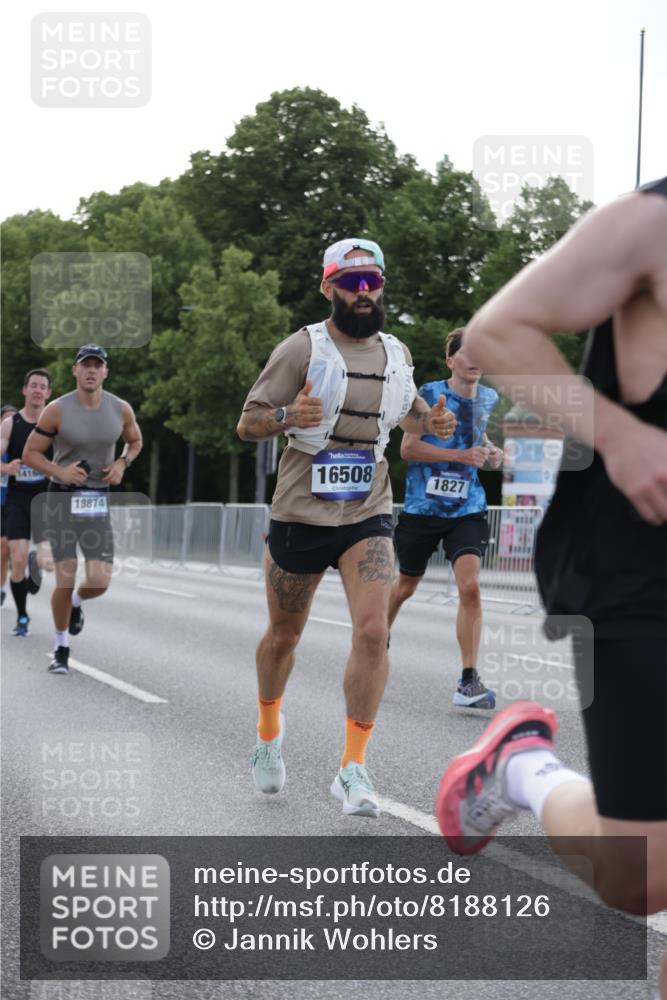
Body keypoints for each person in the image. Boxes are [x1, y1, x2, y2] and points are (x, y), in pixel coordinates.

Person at [435, 177, 667, 999]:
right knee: (639, 879)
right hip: (640, 570)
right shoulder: (649, 223)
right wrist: (622, 435)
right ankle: (522, 769)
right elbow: (499, 331)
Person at [237, 238, 457, 818]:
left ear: (382, 286)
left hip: (368, 508)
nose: (364, 293)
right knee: (284, 637)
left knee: (370, 631)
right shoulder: (300, 348)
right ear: (328, 287)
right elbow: (248, 422)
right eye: (351, 283)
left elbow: (409, 412)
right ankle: (267, 735)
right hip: (302, 510)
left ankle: (353, 767)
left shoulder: (397, 352)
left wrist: (432, 419)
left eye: (372, 282)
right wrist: (287, 416)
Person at [389, 327, 503, 707]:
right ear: (451, 361)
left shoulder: (488, 397)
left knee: (470, 587)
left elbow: (477, 439)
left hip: (466, 507)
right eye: (466, 354)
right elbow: (408, 448)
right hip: (423, 508)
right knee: (405, 586)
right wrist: (459, 457)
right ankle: (375, 636)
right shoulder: (430, 395)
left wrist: (490, 451)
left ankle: (468, 681)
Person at [22, 344, 143, 674]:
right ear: (75, 370)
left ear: (105, 372)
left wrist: (122, 463)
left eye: (97, 365)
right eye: (85, 364)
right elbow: (31, 453)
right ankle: (61, 647)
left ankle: (76, 603)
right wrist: (59, 471)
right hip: (62, 496)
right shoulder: (57, 410)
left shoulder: (120, 409)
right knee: (65, 576)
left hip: (96, 500)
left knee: (100, 581)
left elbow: (135, 442)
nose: (91, 370)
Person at [0, 372, 54, 636]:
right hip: (17, 499)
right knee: (17, 561)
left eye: (42, 387)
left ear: (48, 393)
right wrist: (5, 467)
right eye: (33, 385)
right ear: (24, 390)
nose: (37, 390)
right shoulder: (11, 424)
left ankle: (38, 560)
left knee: (47, 562)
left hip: (46, 499)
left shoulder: (56, 423)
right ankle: (22, 616)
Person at [0, 403, 18, 608]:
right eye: (7, 420)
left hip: (18, 503)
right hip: (1, 502)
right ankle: (2, 588)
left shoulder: (27, 444)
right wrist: (6, 468)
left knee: (8, 547)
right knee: (3, 548)